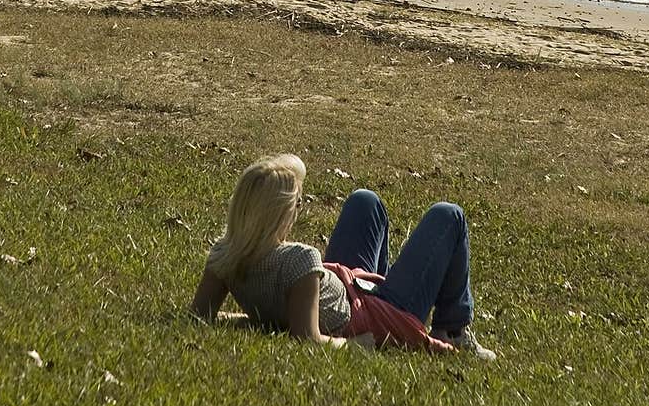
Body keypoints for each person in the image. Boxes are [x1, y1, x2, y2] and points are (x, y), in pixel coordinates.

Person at [189, 152, 496, 360]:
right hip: (376, 315)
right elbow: (308, 339)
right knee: (449, 216)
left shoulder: (225, 256)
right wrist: (354, 344)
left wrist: (255, 319)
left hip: (350, 288)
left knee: (365, 201)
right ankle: (453, 331)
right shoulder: (300, 260)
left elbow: (200, 317)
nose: (299, 210)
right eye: (297, 204)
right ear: (280, 215)